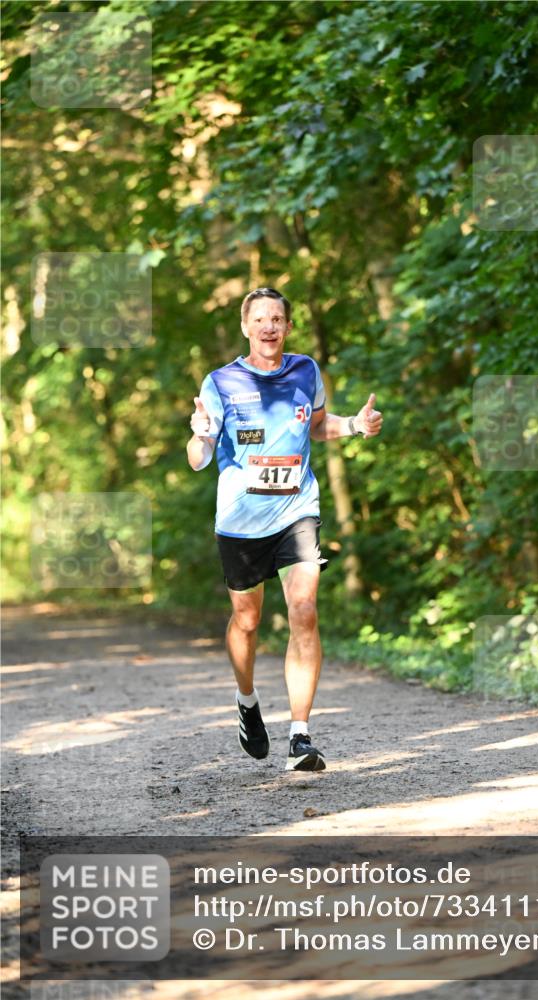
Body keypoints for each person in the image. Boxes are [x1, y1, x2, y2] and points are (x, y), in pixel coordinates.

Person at [186, 287, 382, 772]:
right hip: (240, 521)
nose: (269, 326)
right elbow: (199, 458)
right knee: (247, 622)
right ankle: (247, 698)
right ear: (245, 327)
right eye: (260, 319)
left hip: (296, 510)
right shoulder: (221, 383)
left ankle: (300, 736)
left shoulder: (306, 371)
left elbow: (316, 426)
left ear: (287, 327)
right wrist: (197, 432)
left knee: (305, 608)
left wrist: (354, 426)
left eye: (277, 318)